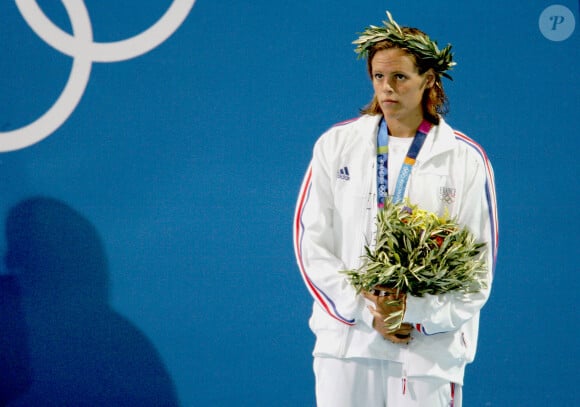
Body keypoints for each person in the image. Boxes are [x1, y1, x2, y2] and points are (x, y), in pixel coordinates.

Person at [293, 11, 498, 407]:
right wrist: (366, 311)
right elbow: (310, 242)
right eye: (378, 77)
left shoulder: (465, 160)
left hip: (427, 353)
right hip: (348, 344)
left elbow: (478, 269)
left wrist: (411, 313)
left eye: (400, 77)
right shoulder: (335, 146)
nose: (387, 88)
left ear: (429, 79)